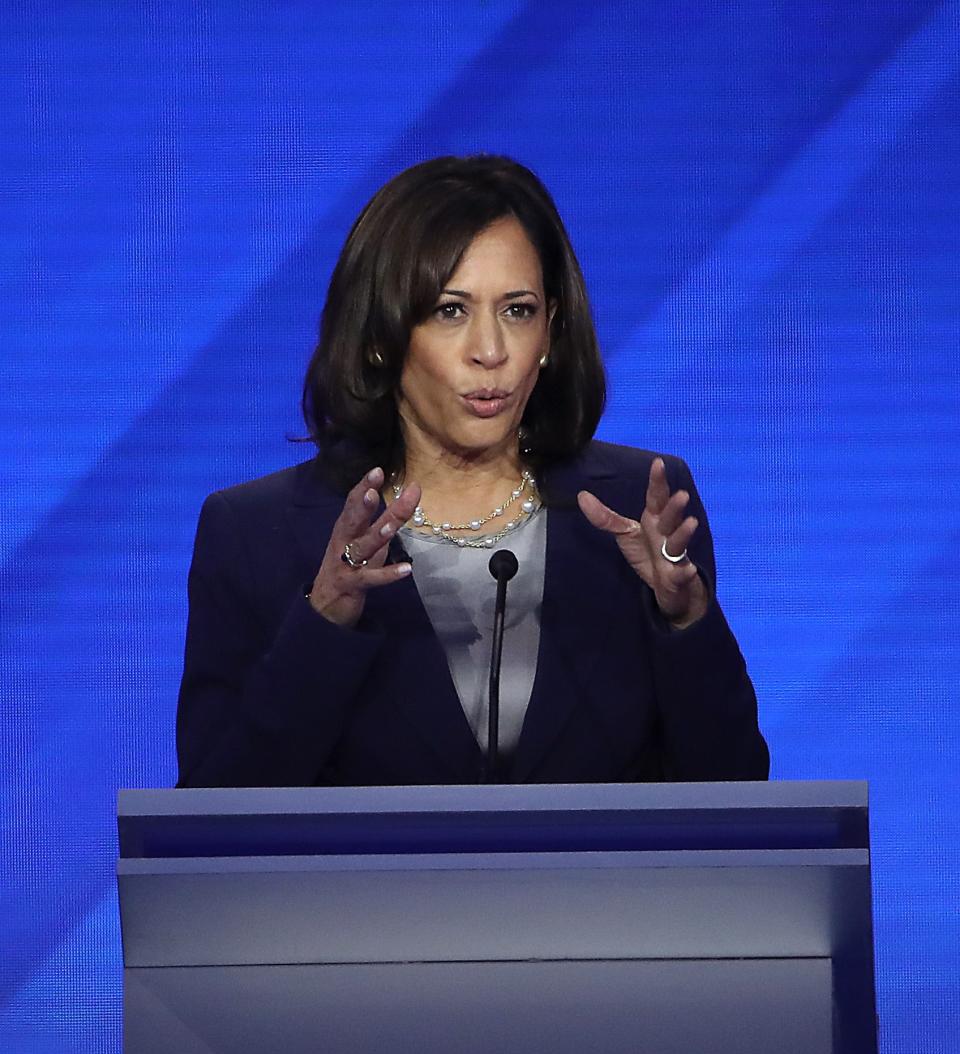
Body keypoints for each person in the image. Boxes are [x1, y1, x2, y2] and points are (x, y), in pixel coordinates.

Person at [176, 155, 768, 788]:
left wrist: (685, 620)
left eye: (517, 310)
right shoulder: (255, 534)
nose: (491, 352)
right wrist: (324, 620)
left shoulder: (639, 509)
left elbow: (734, 792)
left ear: (551, 331)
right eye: (450, 311)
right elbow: (211, 827)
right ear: (382, 335)